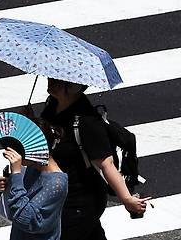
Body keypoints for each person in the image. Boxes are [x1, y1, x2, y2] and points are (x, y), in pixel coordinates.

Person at [38, 78, 151, 240]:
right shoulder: (51, 106)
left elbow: (107, 165)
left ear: (73, 86)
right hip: (60, 194)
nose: (51, 82)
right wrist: (32, 120)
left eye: (57, 80)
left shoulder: (87, 122)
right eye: (50, 78)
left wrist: (126, 199)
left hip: (80, 200)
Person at [0, 118, 68, 240]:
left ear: (35, 148)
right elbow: (15, 203)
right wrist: (5, 188)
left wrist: (17, 174)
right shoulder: (32, 167)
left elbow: (24, 218)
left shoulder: (57, 183)